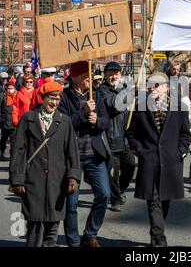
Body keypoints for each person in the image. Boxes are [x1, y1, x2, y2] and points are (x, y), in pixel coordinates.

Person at [9, 81, 80, 247]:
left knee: (53, 224)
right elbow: (18, 150)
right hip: (33, 179)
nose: (54, 102)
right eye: (51, 98)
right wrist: (17, 179)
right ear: (42, 98)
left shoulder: (64, 121)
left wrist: (73, 177)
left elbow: (72, 152)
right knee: (34, 223)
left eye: (57, 99)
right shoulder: (28, 119)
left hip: (57, 180)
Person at [126, 72, 191, 247]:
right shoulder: (140, 107)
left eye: (157, 85)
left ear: (166, 87)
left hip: (171, 161)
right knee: (153, 200)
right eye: (150, 85)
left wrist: (180, 152)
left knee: (164, 202)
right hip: (150, 160)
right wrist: (140, 150)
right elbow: (131, 133)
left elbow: (185, 135)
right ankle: (158, 238)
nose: (152, 88)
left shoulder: (179, 108)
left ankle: (158, 227)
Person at [58, 61, 110, 247]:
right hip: (72, 158)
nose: (89, 79)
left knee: (104, 194)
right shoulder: (64, 98)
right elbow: (63, 124)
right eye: (86, 76)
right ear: (75, 78)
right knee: (71, 204)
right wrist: (83, 112)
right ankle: (73, 241)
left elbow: (107, 122)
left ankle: (90, 234)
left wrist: (97, 121)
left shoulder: (96, 95)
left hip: (94, 154)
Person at [98, 61, 136, 212]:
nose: (114, 76)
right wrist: (129, 92)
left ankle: (120, 189)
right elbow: (115, 104)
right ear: (105, 75)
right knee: (113, 171)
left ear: (120, 75)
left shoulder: (125, 89)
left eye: (116, 73)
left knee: (130, 165)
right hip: (110, 138)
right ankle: (115, 199)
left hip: (125, 137)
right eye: (110, 73)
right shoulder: (101, 91)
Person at [0, 80, 17, 160]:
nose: (10, 90)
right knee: (3, 139)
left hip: (14, 120)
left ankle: (13, 154)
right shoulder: (2, 95)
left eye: (12, 88)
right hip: (4, 121)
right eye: (9, 88)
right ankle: (2, 153)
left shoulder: (17, 94)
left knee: (13, 140)